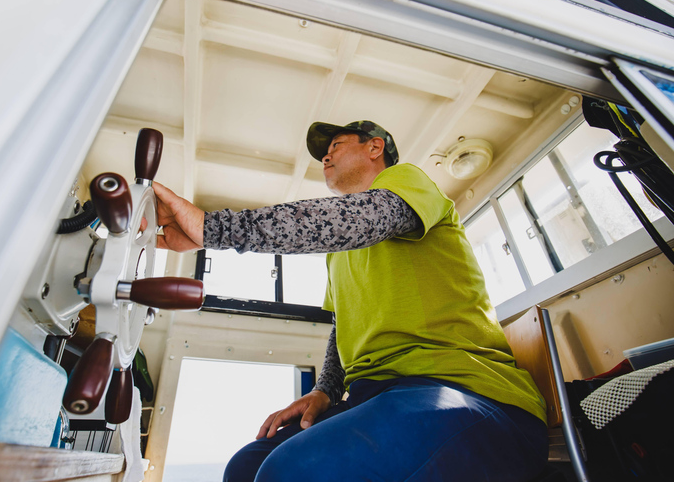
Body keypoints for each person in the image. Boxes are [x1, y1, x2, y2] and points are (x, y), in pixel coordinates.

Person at [152, 120, 548, 482]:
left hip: (465, 392)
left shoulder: (404, 182)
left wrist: (211, 228)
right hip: (372, 396)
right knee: (244, 468)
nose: (325, 156)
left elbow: (356, 219)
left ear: (375, 147)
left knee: (290, 473)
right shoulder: (339, 252)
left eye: (336, 145)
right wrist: (323, 390)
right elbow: (343, 326)